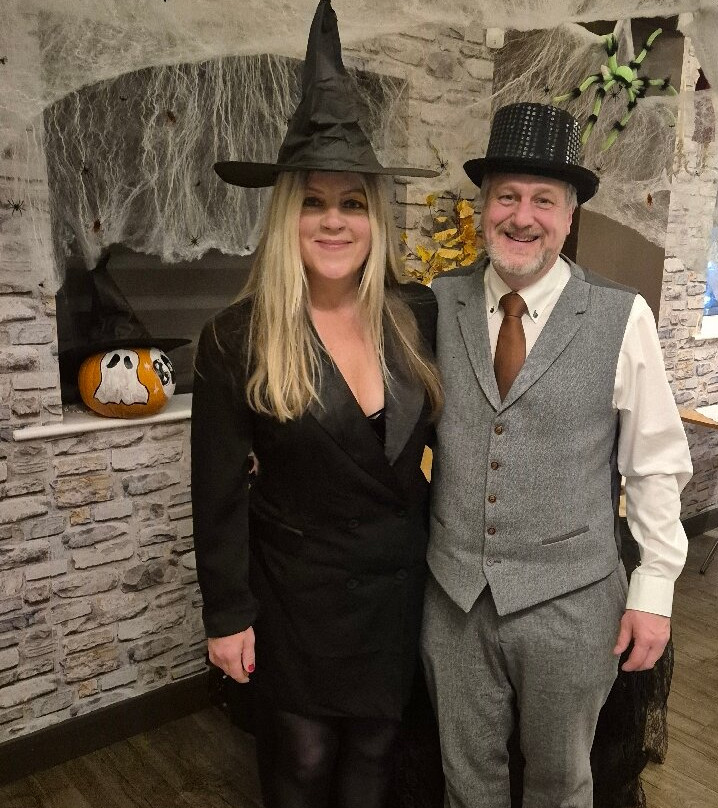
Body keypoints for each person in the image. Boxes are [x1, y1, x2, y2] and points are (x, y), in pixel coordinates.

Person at [190, 3, 440, 807]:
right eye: (314, 201)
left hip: (395, 586)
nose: (334, 221)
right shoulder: (235, 337)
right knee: (301, 757)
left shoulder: (418, 316)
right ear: (285, 215)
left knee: (375, 749)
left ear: (375, 217)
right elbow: (217, 495)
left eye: (353, 202)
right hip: (295, 592)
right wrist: (227, 615)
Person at [420, 102, 693, 808]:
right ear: (483, 208)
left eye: (543, 199)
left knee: (561, 784)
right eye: (506, 196)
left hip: (571, 604)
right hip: (453, 598)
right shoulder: (436, 303)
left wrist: (655, 591)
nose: (522, 216)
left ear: (570, 216)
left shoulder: (621, 315)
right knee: (464, 782)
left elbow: (654, 463)